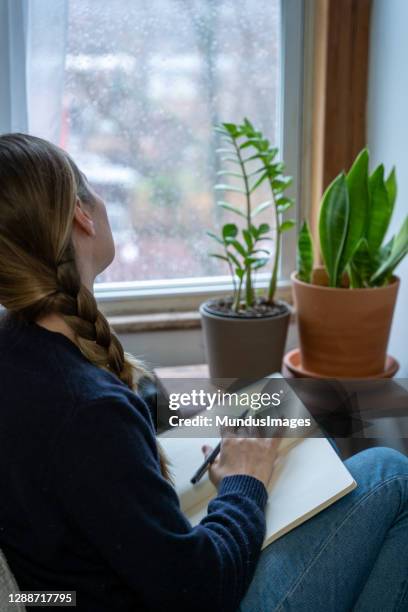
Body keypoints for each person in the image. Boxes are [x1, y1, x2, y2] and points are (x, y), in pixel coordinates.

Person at [0, 133, 406, 612]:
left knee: (313, 442)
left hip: (81, 588)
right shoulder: (88, 412)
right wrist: (243, 480)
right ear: (80, 214)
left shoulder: (21, 352)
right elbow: (200, 589)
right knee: (388, 474)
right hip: (190, 592)